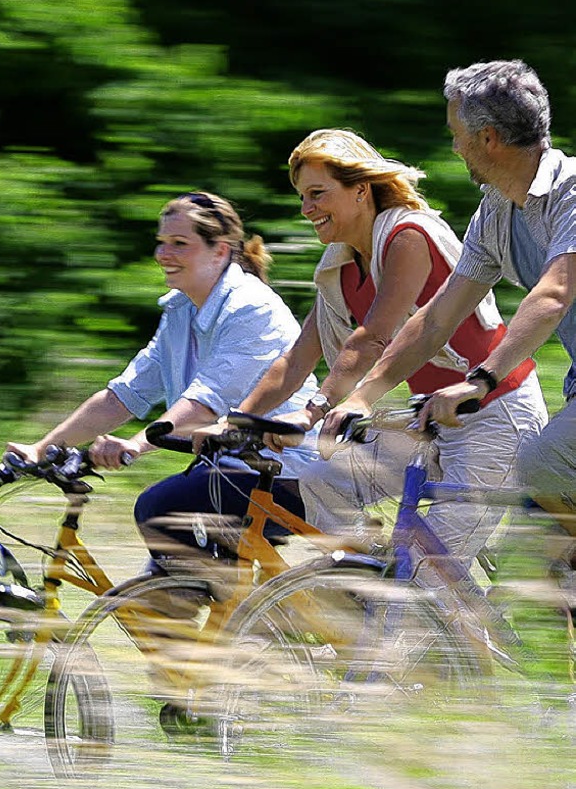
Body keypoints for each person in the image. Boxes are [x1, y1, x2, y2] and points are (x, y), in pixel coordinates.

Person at [229, 128, 547, 560]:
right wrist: (238, 421)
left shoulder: (408, 237)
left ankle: (412, 600)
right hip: (426, 418)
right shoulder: (341, 267)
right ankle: (368, 577)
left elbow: (373, 337)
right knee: (321, 488)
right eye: (302, 197)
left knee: (424, 570)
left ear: (360, 191)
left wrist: (315, 410)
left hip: (493, 413)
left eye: (318, 194)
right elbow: (298, 358)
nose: (307, 209)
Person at [7, 191, 319, 561]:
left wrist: (134, 446)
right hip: (235, 470)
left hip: (286, 473)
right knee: (165, 569)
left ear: (219, 251)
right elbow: (124, 395)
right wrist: (41, 449)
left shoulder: (251, 308)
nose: (162, 254)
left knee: (161, 509)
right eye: (161, 243)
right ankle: (221, 613)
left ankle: (209, 612)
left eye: (179, 244)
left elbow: (204, 405)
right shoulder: (180, 310)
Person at [352, 59, 576, 549]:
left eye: (457, 134)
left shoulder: (572, 193)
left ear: (489, 138)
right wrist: (363, 395)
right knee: (537, 534)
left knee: (541, 466)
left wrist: (479, 382)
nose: (454, 147)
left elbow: (554, 295)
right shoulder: (497, 210)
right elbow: (437, 318)